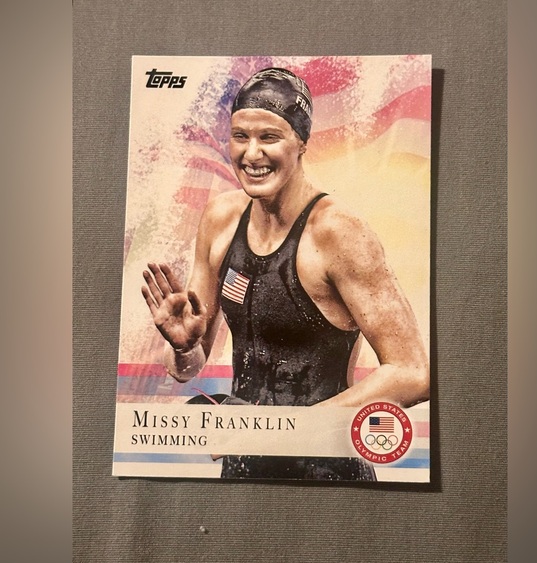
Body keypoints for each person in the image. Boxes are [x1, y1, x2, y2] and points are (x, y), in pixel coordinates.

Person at [141, 68, 429, 480]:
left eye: (269, 137)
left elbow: (413, 373)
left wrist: (279, 435)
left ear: (301, 143)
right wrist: (185, 347)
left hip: (326, 473)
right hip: (242, 465)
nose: (251, 154)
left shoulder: (337, 232)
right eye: (240, 136)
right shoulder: (222, 219)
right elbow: (185, 369)